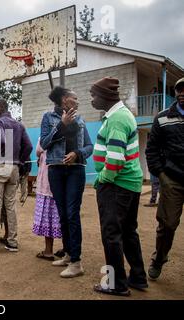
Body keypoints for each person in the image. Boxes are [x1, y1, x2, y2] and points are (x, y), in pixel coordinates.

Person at [90, 77, 147, 296]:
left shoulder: (116, 119)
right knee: (128, 231)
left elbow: (114, 160)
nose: (92, 100)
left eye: (94, 95)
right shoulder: (122, 115)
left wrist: (102, 178)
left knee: (111, 234)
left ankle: (116, 284)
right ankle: (138, 277)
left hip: (116, 186)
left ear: (105, 97)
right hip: (129, 184)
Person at [39, 86, 93, 278]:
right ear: (64, 100)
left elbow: (89, 146)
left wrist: (77, 154)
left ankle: (77, 262)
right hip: (55, 169)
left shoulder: (80, 119)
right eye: (74, 98)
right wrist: (61, 125)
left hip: (76, 171)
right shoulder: (48, 118)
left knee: (72, 213)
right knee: (62, 213)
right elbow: (44, 143)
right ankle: (69, 254)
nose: (78, 101)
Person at [146, 77, 184, 281]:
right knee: (167, 224)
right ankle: (159, 258)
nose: (182, 93)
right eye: (179, 90)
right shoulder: (162, 118)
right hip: (173, 180)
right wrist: (162, 176)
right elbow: (151, 150)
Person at [0, 99, 33, 254]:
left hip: (0, 167)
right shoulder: (19, 125)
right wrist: (20, 161)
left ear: (0, 108)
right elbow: (29, 146)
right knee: (10, 206)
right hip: (14, 168)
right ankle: (12, 242)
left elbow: (0, 140)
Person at [33, 139, 62, 261]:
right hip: (63, 183)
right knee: (63, 216)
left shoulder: (45, 136)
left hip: (47, 183)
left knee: (47, 218)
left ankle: (48, 250)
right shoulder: (68, 134)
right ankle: (67, 249)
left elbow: (38, 150)